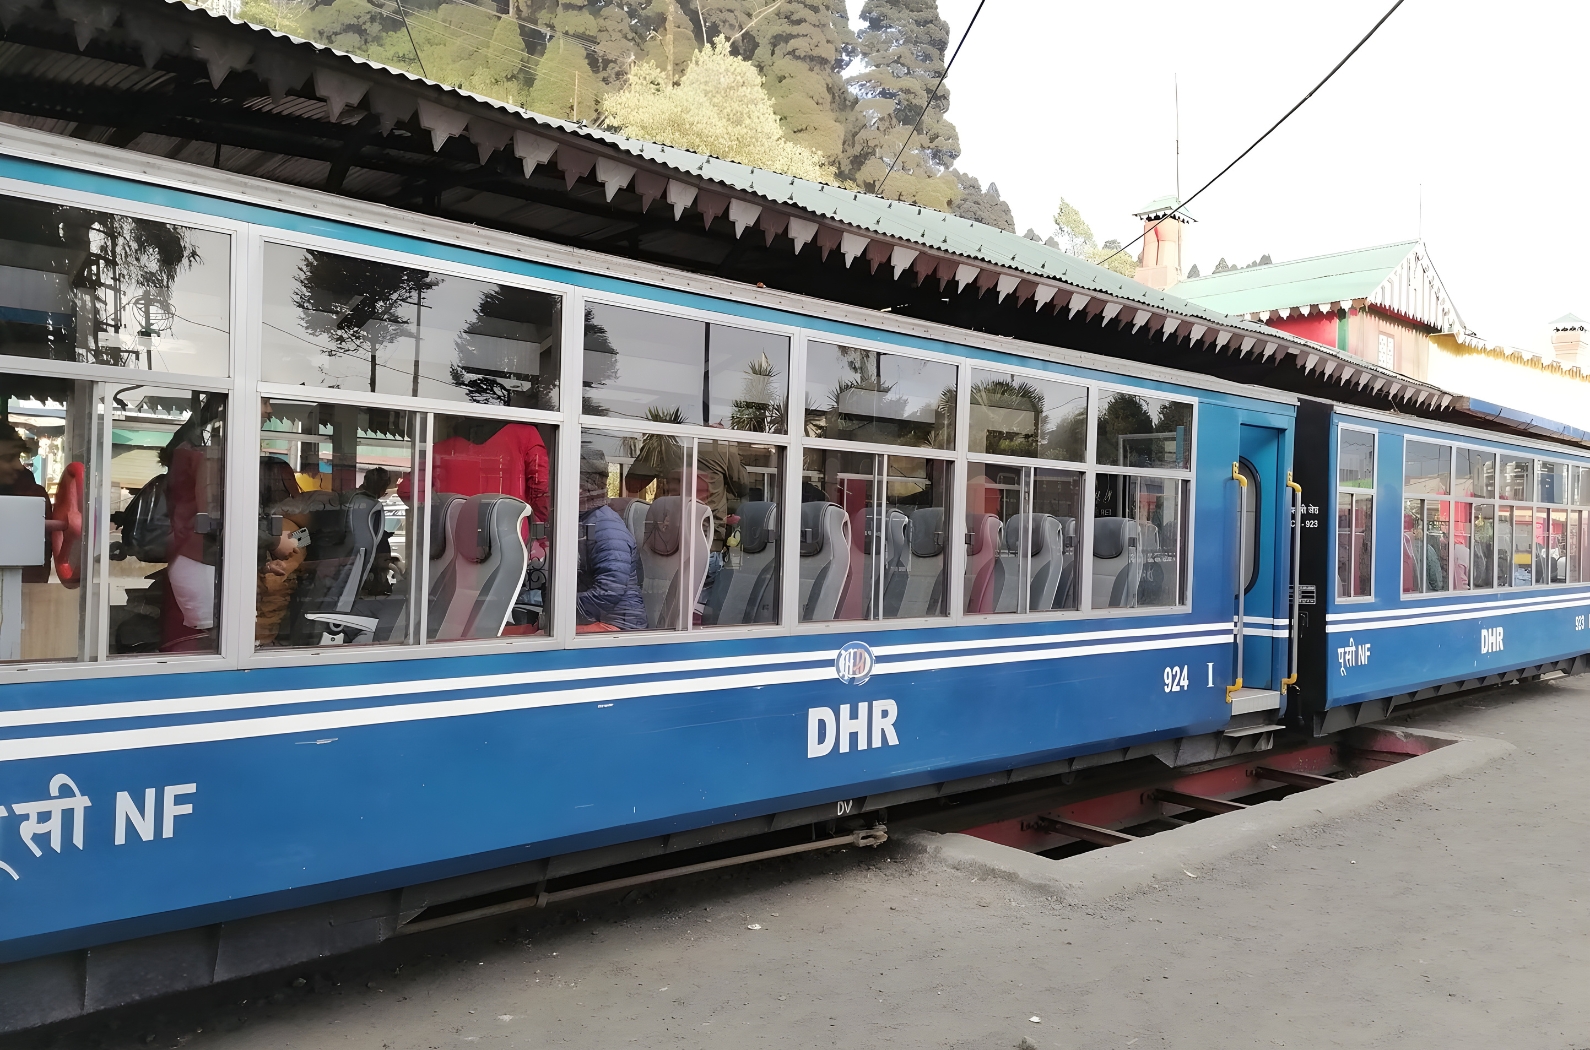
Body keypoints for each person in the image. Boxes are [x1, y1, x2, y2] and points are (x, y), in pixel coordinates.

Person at [162, 395, 224, 650]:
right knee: (216, 646)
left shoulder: (186, 455)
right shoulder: (201, 458)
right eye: (263, 402)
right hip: (203, 559)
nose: (269, 410)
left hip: (192, 555)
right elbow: (213, 514)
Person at [576, 446, 645, 632]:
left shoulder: (606, 527)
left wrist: (562, 609)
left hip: (619, 626)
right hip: (596, 617)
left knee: (539, 638)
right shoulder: (583, 519)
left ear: (582, 488)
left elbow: (609, 591)